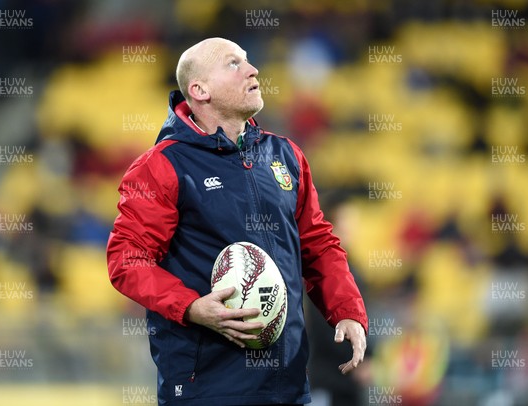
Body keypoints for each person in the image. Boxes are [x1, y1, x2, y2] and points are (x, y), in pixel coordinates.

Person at [107, 37, 368, 406]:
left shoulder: (286, 155)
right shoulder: (161, 167)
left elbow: (318, 244)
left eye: (247, 60)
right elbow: (126, 260)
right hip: (207, 387)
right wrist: (191, 306)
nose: (252, 69)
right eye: (233, 64)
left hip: (288, 383)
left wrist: (347, 311)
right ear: (200, 90)